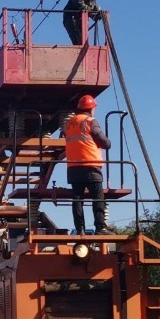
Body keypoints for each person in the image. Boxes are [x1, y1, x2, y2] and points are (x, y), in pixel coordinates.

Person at [64, 94, 111, 234]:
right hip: (91, 165)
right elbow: (104, 142)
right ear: (91, 109)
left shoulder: (68, 123)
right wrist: (106, 143)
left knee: (77, 199)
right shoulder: (90, 121)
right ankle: (100, 227)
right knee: (97, 198)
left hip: (73, 168)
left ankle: (80, 229)